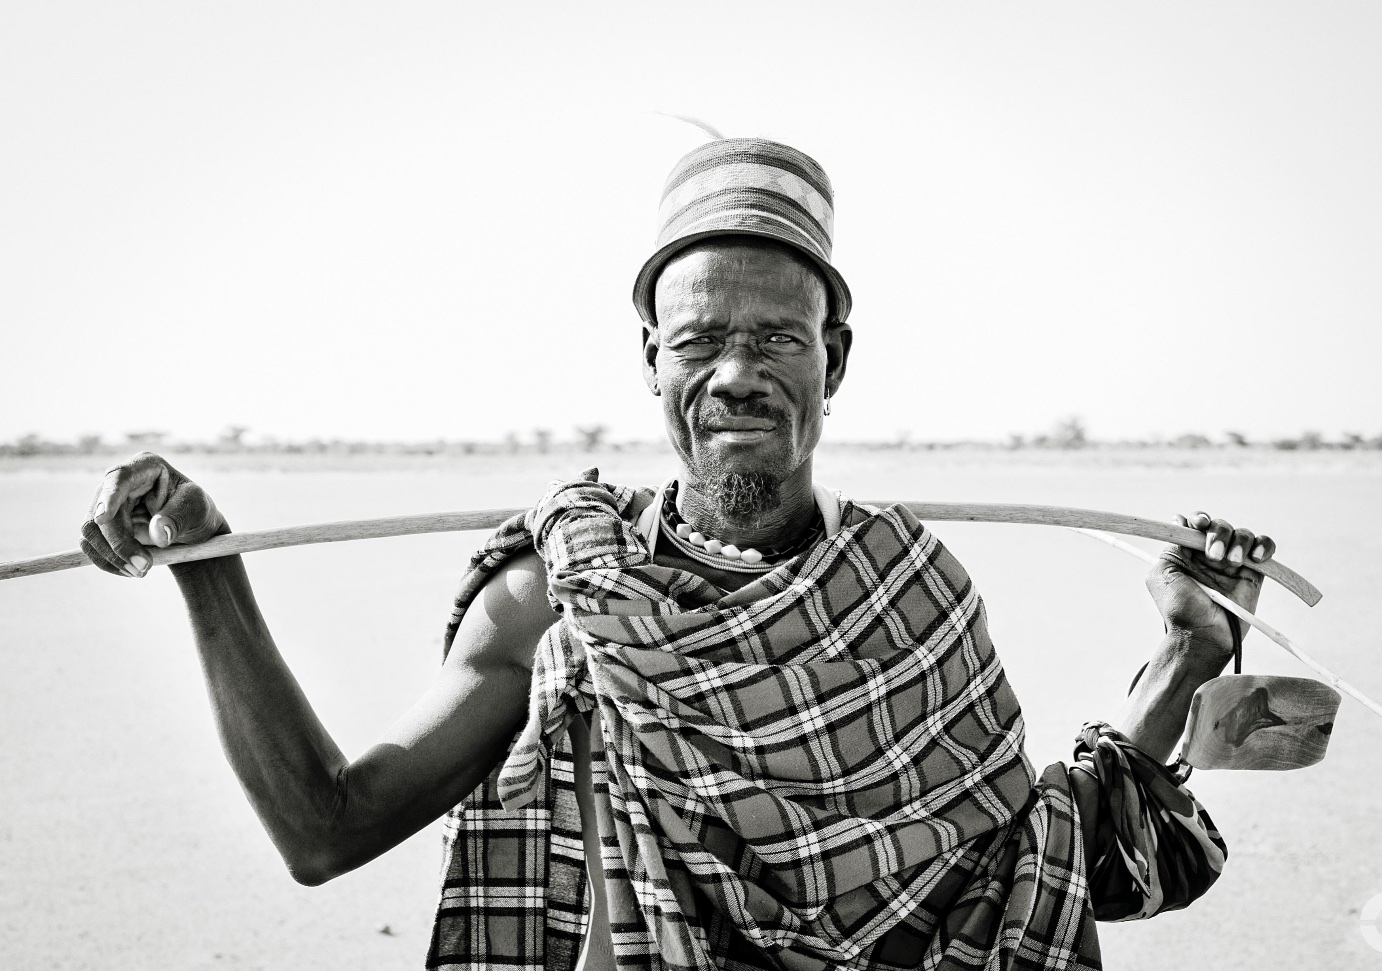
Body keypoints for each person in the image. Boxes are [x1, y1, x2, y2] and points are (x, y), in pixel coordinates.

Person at [81, 138, 1276, 971]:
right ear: (649, 359)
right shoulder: (556, 599)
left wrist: (1186, 650)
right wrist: (204, 562)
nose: (738, 373)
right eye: (699, 339)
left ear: (835, 358)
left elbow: (1038, 854)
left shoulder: (911, 591)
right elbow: (325, 826)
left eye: (776, 338)